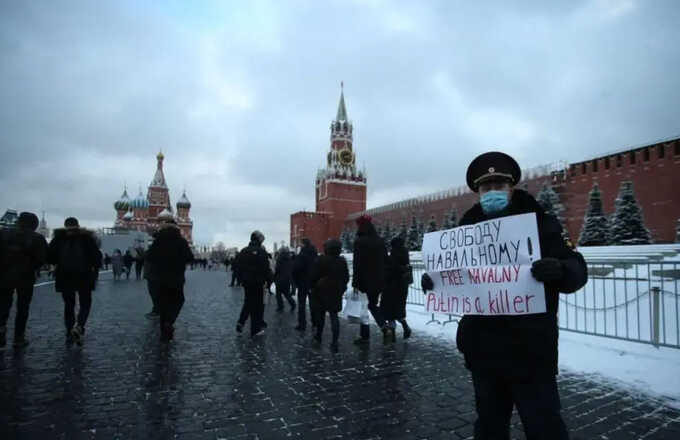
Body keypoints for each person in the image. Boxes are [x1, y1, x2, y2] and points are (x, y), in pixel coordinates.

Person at [421, 151, 588, 440]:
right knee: (489, 425)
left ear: (511, 188)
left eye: (499, 186)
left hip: (530, 351)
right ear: (478, 192)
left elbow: (577, 268)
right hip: (484, 350)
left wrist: (560, 269)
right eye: (486, 188)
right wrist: (435, 282)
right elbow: (455, 274)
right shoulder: (467, 228)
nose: (492, 193)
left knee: (543, 426)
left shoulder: (540, 223)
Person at [48, 217, 102, 346]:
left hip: (64, 276)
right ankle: (80, 326)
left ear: (65, 225)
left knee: (69, 304)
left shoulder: (59, 238)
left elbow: (50, 256)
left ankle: (69, 331)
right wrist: (95, 269)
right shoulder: (86, 238)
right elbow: (96, 256)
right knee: (85, 303)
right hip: (84, 275)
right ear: (78, 225)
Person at [0, 212, 48, 348]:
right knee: (23, 307)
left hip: (4, 276)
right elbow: (42, 258)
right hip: (25, 277)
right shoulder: (37, 238)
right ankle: (18, 337)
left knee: (3, 305)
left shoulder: (3, 233)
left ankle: (1, 330)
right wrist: (31, 267)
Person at [145, 218, 193, 341]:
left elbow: (149, 257)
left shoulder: (158, 241)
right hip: (176, 278)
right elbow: (189, 257)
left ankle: (163, 332)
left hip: (160, 279)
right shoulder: (181, 241)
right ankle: (169, 322)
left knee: (163, 304)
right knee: (178, 300)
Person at [352, 215, 391, 345]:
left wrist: (355, 283)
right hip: (378, 280)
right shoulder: (380, 241)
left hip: (363, 281)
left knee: (363, 307)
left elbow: (357, 264)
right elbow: (386, 261)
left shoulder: (359, 242)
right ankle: (384, 326)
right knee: (373, 305)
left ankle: (365, 336)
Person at [309, 238, 349, 352]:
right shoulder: (342, 261)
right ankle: (335, 341)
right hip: (335, 292)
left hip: (320, 291)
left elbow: (313, 276)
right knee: (334, 316)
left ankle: (318, 336)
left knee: (320, 315)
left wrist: (312, 286)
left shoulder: (321, 260)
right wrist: (341, 287)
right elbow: (346, 278)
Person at [235, 231, 273, 337]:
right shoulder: (261, 252)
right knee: (257, 306)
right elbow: (266, 269)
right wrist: (269, 282)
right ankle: (255, 330)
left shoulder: (244, 251)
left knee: (248, 302)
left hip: (247, 282)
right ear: (258, 239)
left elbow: (237, 266)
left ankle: (241, 322)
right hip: (258, 282)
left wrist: (241, 279)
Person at [381, 235, 412, 342]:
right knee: (399, 310)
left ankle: (392, 335)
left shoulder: (393, 256)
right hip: (402, 288)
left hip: (391, 288)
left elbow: (388, 273)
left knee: (390, 313)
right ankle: (405, 326)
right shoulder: (405, 257)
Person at [292, 238, 318, 331]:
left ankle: (302, 324)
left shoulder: (302, 255)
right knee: (313, 303)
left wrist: (296, 281)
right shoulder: (315, 254)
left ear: (303, 244)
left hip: (302, 282)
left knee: (302, 304)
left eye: (300, 244)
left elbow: (295, 269)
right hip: (313, 283)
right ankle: (315, 322)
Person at [274, 246, 296, 312]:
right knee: (287, 294)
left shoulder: (279, 258)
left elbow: (277, 268)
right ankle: (293, 304)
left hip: (280, 278)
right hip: (287, 278)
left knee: (278, 294)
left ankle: (280, 307)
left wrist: (275, 277)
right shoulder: (289, 258)